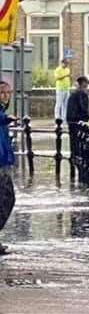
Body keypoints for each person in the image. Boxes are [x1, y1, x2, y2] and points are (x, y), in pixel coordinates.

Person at [0, 81, 17, 255]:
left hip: (4, 161)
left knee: (6, 199)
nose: (5, 96)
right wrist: (6, 119)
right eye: (2, 93)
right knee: (7, 198)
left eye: (8, 92)